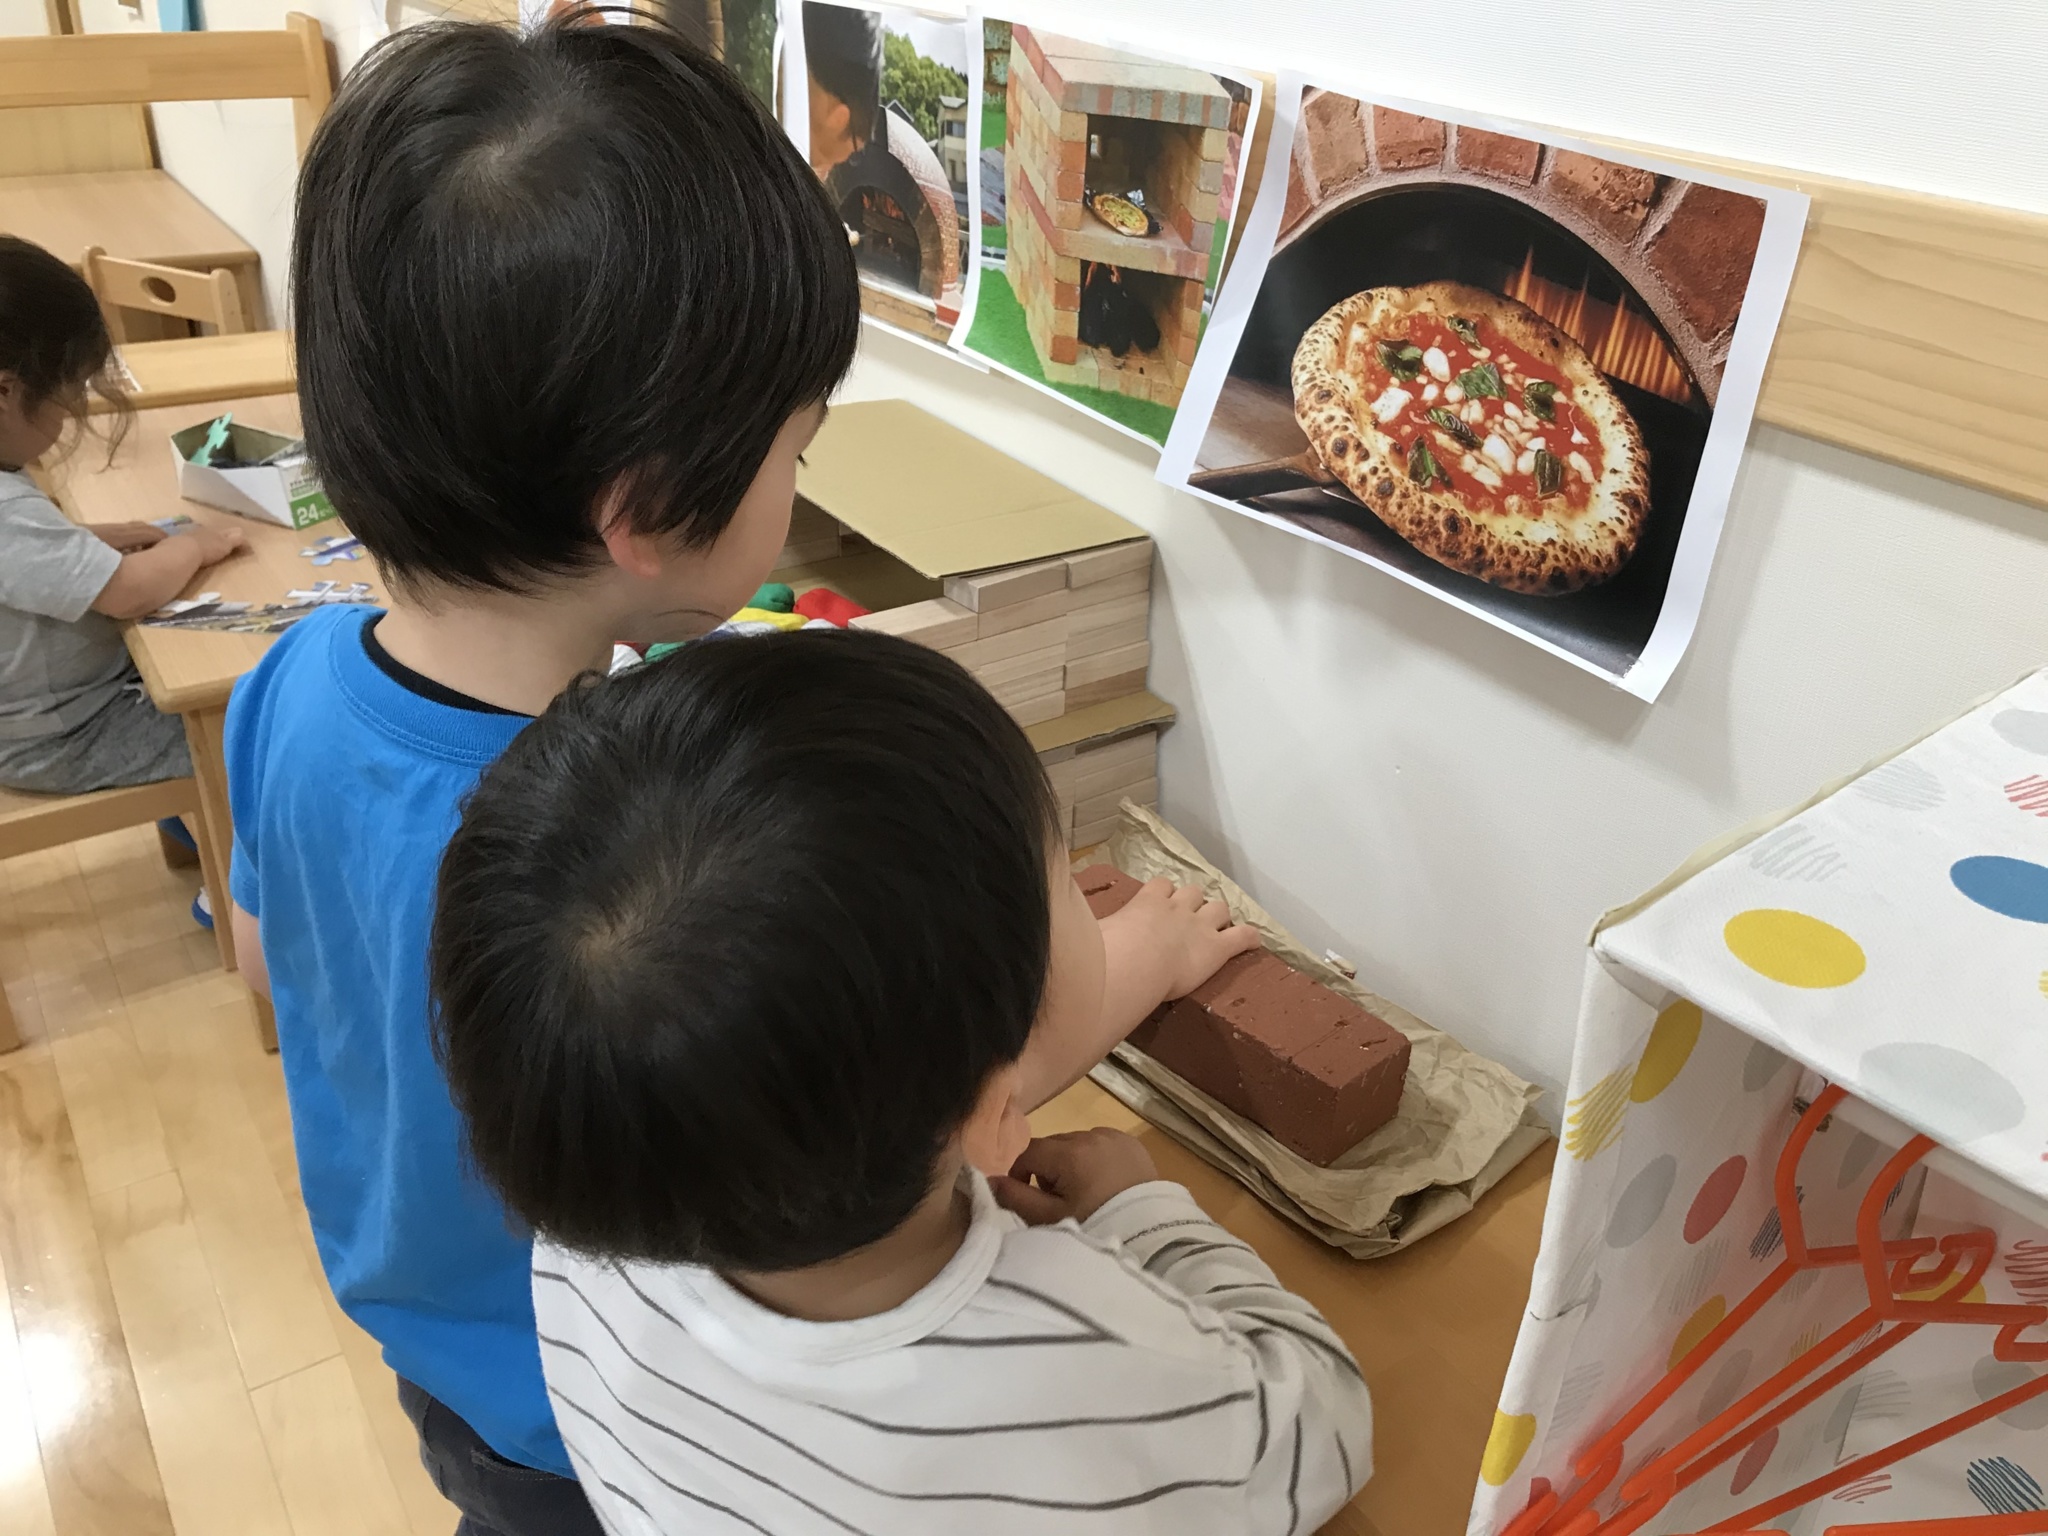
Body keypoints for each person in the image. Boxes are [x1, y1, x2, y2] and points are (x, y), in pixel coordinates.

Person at [222, 18, 863, 1535]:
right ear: (646, 508)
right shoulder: (605, 844)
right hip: (616, 1424)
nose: (798, 483)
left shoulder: (287, 684)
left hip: (431, 1340)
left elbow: (268, 966)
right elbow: (793, 1182)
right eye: (798, 449)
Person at [429, 629, 1373, 1536]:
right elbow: (1321, 1427)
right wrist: (1145, 1216)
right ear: (989, 1117)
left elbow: (817, 1073)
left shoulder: (601, 1209)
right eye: (1063, 876)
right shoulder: (1077, 1356)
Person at [0, 236, 245, 909]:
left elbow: (23, 564)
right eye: (68, 395)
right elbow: (128, 592)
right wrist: (196, 545)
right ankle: (227, 889)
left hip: (42, 712)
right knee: (249, 736)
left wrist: (81, 538)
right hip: (64, 733)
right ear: (6, 392)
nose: (74, 412)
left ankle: (188, 817)